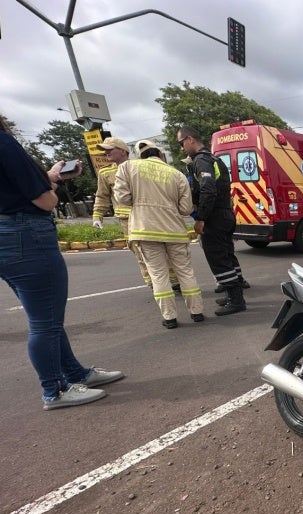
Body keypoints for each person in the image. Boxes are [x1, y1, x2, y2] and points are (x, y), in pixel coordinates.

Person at [0, 114, 124, 409]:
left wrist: (50, 177)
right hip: (26, 234)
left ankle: (74, 374)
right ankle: (54, 391)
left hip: (7, 237)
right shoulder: (4, 143)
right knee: (45, 322)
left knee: (47, 317)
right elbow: (45, 201)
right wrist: (51, 188)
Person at [114, 140, 204, 329]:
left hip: (145, 230)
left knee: (158, 275)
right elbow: (186, 209)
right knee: (185, 272)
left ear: (140, 155)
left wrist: (139, 202)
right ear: (161, 154)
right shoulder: (177, 174)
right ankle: (197, 312)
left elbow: (122, 198)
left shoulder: (128, 168)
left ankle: (170, 318)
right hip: (175, 231)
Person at [177, 126, 249, 316]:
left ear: (190, 139)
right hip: (225, 213)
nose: (182, 147)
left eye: (181, 142)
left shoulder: (201, 161)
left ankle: (236, 300)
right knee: (226, 255)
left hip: (214, 217)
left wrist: (201, 218)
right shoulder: (215, 159)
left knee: (218, 258)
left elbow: (208, 190)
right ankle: (233, 294)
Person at [92, 137, 181, 291]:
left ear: (122, 150)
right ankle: (154, 284)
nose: (105, 153)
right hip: (127, 220)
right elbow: (102, 196)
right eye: (104, 150)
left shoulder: (140, 167)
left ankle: (174, 282)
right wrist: (97, 215)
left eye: (109, 149)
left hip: (148, 216)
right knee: (139, 252)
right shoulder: (105, 173)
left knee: (163, 249)